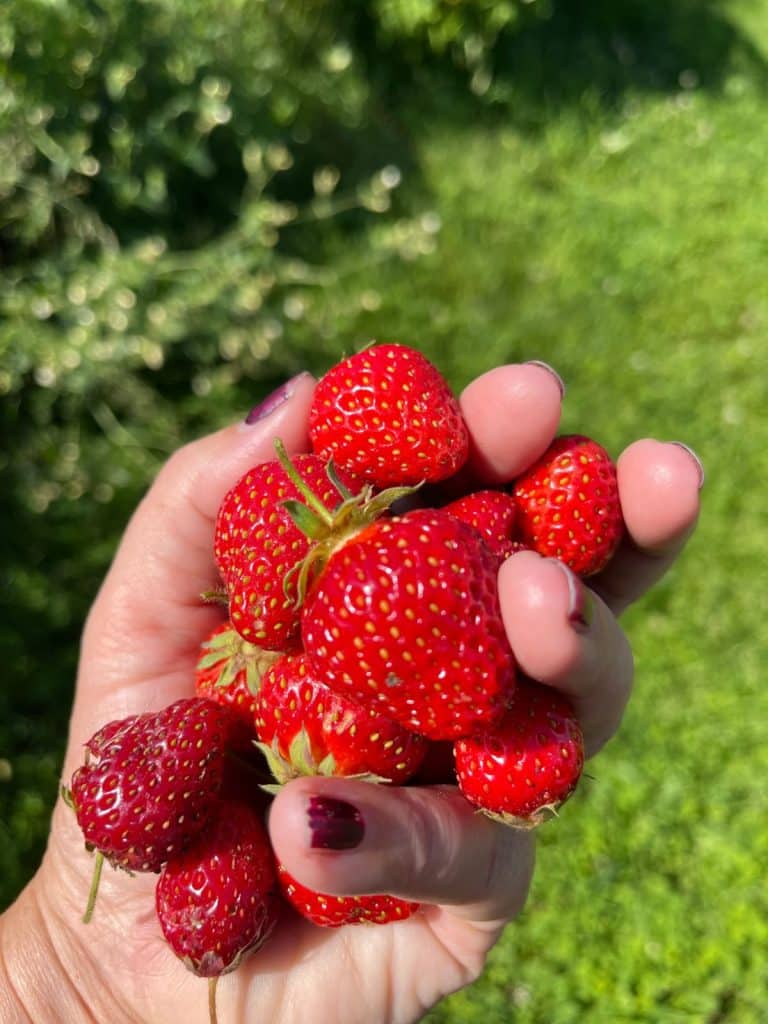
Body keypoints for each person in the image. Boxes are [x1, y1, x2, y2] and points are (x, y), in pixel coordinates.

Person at [0, 362, 703, 1024]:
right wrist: (81, 979)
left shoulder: (351, 614)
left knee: (533, 620)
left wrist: (76, 984)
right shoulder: (320, 632)